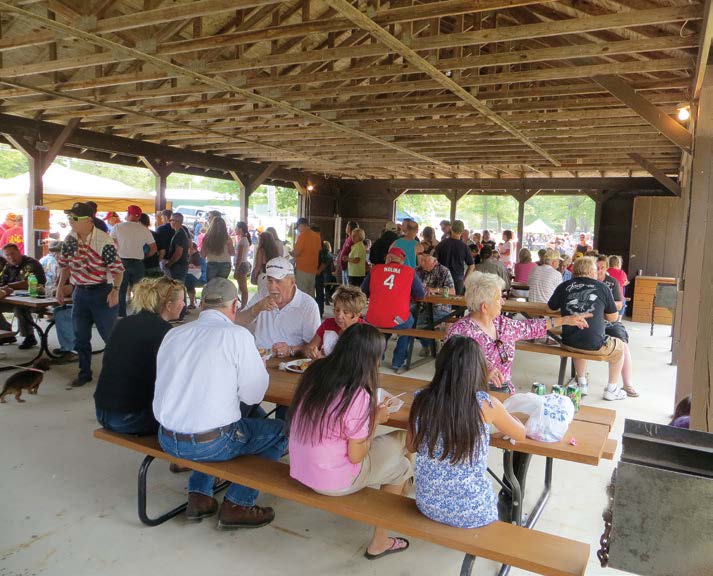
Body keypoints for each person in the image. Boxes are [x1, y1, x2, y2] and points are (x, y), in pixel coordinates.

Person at [153, 278, 287, 528]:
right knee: (282, 431)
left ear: (202, 305)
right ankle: (239, 502)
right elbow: (254, 395)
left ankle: (200, 495)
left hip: (168, 439)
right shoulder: (237, 335)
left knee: (220, 422)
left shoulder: (174, 333)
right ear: (235, 306)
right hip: (211, 443)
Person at [289, 323, 413, 559]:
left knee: (398, 456)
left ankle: (403, 482)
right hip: (332, 479)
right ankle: (380, 541)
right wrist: (374, 418)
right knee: (402, 463)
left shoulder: (315, 371)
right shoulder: (356, 394)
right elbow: (356, 456)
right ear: (370, 359)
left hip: (301, 468)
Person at [407, 336, 526, 529]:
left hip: (427, 503)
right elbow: (520, 434)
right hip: (474, 512)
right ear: (478, 370)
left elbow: (411, 446)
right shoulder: (486, 404)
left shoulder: (421, 399)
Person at [447, 272, 590, 393]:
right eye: (499, 298)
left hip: (504, 390)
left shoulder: (502, 323)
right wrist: (481, 373)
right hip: (471, 394)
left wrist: (565, 320)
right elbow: (449, 369)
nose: (503, 302)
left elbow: (531, 327)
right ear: (485, 307)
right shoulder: (459, 332)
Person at [94, 278, 184, 435]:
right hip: (129, 418)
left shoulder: (124, 323)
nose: (184, 305)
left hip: (102, 411)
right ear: (169, 306)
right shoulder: (165, 332)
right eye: (182, 300)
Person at [547, 256, 635, 400]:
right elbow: (613, 318)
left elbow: (550, 309)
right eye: (595, 270)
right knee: (620, 347)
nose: (596, 273)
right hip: (594, 345)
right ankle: (612, 389)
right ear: (590, 271)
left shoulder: (564, 286)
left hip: (568, 343)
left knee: (579, 337)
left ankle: (581, 383)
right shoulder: (602, 287)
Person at [57, 202, 124, 388]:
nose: (70, 221)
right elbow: (65, 265)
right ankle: (84, 372)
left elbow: (118, 270)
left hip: (101, 291)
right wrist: (60, 287)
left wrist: (115, 291)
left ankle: (117, 374)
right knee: (81, 336)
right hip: (80, 292)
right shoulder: (70, 239)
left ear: (88, 220)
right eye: (69, 217)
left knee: (109, 336)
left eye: (74, 218)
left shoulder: (103, 241)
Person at [236, 257, 320, 358]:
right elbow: (237, 322)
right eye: (270, 280)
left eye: (278, 281)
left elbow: (313, 346)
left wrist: (291, 350)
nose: (271, 287)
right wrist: (256, 308)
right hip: (261, 359)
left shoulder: (308, 305)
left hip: (291, 362)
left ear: (292, 282)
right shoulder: (262, 295)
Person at [360, 247, 426, 374]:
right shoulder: (410, 272)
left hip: (373, 318)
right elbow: (420, 295)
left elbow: (363, 291)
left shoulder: (375, 269)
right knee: (408, 325)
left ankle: (377, 357)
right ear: (402, 261)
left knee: (384, 324)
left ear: (388, 258)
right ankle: (398, 362)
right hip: (398, 319)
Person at [110, 205, 157, 317]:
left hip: (122, 262)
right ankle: (138, 315)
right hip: (138, 263)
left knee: (120, 290)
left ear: (128, 214)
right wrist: (145, 256)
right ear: (139, 216)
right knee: (139, 291)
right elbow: (153, 248)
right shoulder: (144, 229)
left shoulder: (117, 227)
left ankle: (121, 315)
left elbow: (111, 244)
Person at [0, 243, 47, 349]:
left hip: (35, 299)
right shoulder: (8, 266)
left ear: (19, 251)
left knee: (20, 308)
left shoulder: (31, 264)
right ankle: (7, 334)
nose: (11, 257)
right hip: (13, 299)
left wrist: (7, 286)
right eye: (7, 255)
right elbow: (2, 282)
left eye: (13, 253)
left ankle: (29, 337)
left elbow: (28, 283)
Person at [305, 285, 367, 358]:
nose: (339, 316)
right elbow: (310, 348)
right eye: (337, 310)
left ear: (357, 315)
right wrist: (311, 352)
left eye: (345, 312)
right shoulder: (328, 324)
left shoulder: (364, 331)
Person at [40, 240, 76, 360]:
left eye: (58, 254)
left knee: (62, 314)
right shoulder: (61, 269)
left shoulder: (71, 268)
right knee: (59, 312)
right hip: (77, 303)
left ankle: (70, 350)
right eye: (54, 254)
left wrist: (49, 290)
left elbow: (68, 290)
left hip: (88, 306)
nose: (56, 257)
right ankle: (66, 346)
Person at [414, 253, 454, 356]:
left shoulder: (444, 271)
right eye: (421, 261)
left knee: (419, 323)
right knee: (410, 321)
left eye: (425, 261)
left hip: (440, 306)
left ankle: (431, 343)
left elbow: (452, 291)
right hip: (420, 306)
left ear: (434, 262)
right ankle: (429, 344)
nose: (422, 263)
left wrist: (435, 290)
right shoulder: (417, 271)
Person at [435, 220, 474, 295]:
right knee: (456, 304)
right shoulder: (465, 247)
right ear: (462, 232)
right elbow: (471, 266)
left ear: (451, 229)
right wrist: (464, 280)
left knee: (442, 303)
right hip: (458, 280)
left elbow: (434, 260)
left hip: (442, 278)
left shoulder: (441, 244)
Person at [291, 217, 321, 297]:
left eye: (298, 227)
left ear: (302, 225)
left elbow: (296, 253)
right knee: (310, 295)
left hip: (302, 269)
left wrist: (291, 253)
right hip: (313, 269)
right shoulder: (317, 236)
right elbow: (317, 250)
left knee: (301, 294)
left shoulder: (302, 236)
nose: (298, 230)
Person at [200, 216, 234, 282]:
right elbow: (232, 253)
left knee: (211, 286)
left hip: (212, 263)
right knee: (221, 286)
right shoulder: (227, 238)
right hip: (225, 263)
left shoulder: (207, 238)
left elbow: (203, 254)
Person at [164, 213, 190, 282]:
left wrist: (169, 264)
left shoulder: (179, 234)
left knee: (177, 287)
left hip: (178, 266)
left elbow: (178, 253)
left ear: (175, 221)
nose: (170, 222)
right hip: (180, 265)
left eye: (171, 220)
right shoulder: (181, 232)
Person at [233, 221, 252, 306]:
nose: (235, 229)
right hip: (243, 264)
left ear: (240, 229)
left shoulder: (242, 241)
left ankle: (243, 306)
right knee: (242, 287)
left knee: (243, 288)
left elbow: (239, 257)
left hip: (241, 265)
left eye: (236, 228)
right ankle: (243, 305)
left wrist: (236, 270)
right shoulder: (243, 239)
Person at [316, 240, 336, 316]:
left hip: (322, 275)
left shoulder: (323, 252)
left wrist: (319, 270)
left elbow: (325, 262)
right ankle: (320, 310)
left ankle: (320, 311)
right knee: (320, 293)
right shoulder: (328, 254)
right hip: (324, 274)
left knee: (319, 293)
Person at [139, 213, 162, 278]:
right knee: (155, 287)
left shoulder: (136, 235)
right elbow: (162, 251)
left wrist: (144, 257)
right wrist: (157, 261)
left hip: (140, 266)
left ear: (139, 222)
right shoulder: (155, 234)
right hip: (154, 265)